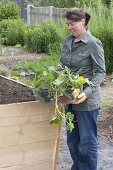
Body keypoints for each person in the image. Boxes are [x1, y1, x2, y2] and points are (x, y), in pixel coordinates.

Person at [59, 8, 106, 170]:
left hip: (87, 101)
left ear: (83, 21)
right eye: (67, 24)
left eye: (72, 24)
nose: (70, 27)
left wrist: (86, 92)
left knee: (86, 141)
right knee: (72, 140)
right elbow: (62, 65)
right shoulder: (67, 41)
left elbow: (100, 72)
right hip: (69, 97)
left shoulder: (93, 43)